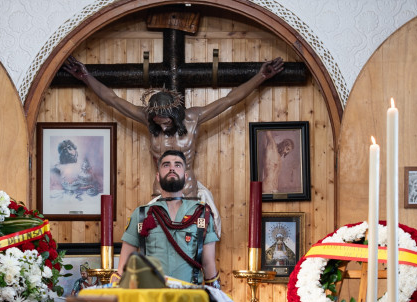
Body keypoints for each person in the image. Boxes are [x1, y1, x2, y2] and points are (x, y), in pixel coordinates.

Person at [63, 55, 284, 234]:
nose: (161, 125)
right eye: (157, 121)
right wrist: (86, 77)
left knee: (193, 245)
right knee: (158, 243)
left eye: (166, 120)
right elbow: (112, 99)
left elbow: (229, 100)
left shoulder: (192, 118)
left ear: (175, 115)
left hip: (189, 192)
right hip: (159, 192)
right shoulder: (147, 118)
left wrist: (260, 77)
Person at [118, 150, 218, 285]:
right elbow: (123, 268)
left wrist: (217, 301)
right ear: (158, 177)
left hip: (189, 296)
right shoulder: (141, 215)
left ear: (185, 175)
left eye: (178, 165)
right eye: (166, 165)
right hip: (152, 296)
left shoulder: (201, 213)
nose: (172, 168)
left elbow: (208, 265)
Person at [261, 130, 294, 194]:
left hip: (275, 190)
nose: (286, 152)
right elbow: (268, 132)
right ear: (283, 144)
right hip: (267, 188)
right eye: (287, 149)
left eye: (288, 152)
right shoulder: (272, 146)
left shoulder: (279, 157)